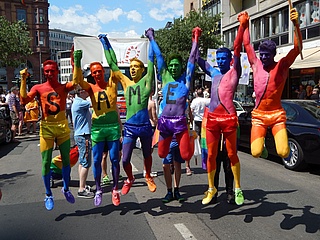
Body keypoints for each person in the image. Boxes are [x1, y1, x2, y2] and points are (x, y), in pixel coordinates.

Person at [98, 32, 157, 195]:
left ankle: (147, 175)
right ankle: (130, 178)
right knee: (124, 159)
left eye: (135, 67)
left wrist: (152, 39)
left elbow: (152, 61)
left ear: (142, 70)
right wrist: (105, 42)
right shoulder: (125, 82)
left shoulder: (146, 81)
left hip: (145, 125)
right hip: (130, 126)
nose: (132, 70)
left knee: (147, 155)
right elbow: (113, 64)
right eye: (130, 67)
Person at [241, 8, 302, 159]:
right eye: (261, 55)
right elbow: (247, 45)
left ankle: (271, 141)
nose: (263, 58)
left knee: (283, 152)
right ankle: (263, 147)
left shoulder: (281, 66)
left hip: (276, 115)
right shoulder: (255, 64)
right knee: (255, 152)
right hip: (259, 115)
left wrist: (296, 25)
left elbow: (297, 48)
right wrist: (245, 26)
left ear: (273, 55)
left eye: (266, 55)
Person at [195, 20, 245, 205]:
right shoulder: (213, 73)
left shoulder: (234, 72)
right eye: (218, 58)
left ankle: (232, 191)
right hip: (213, 120)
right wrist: (196, 39)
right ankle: (213, 190)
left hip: (230, 119)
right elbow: (197, 59)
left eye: (224, 58)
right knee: (212, 156)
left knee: (229, 157)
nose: (221, 61)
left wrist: (242, 26)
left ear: (230, 59)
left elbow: (238, 47)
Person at [19, 60, 77, 211]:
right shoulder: (38, 88)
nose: (49, 73)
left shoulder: (64, 87)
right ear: (44, 72)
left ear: (57, 71)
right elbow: (24, 100)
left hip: (62, 127)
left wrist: (76, 62)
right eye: (47, 71)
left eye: (52, 70)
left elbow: (77, 82)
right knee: (45, 162)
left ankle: (65, 188)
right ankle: (48, 193)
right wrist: (23, 80)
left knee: (66, 159)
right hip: (47, 128)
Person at [73, 49, 122, 207]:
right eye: (94, 72)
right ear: (92, 74)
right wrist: (77, 61)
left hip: (113, 127)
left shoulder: (111, 84)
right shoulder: (90, 88)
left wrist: (106, 45)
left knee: (114, 158)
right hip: (98, 128)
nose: (97, 74)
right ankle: (99, 188)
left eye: (99, 71)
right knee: (95, 160)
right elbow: (77, 80)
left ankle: (115, 188)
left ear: (103, 71)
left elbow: (115, 65)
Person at [148, 27, 197, 163]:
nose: (174, 67)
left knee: (186, 155)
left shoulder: (185, 80)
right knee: (162, 154)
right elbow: (159, 57)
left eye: (176, 65)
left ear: (181, 66)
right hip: (165, 120)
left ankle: (190, 139)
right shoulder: (165, 77)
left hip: (179, 121)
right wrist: (151, 37)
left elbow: (192, 59)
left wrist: (195, 40)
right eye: (171, 65)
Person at [71, 87, 94, 198]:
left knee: (82, 161)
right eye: (86, 90)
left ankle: (83, 185)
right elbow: (96, 101)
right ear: (81, 92)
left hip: (80, 135)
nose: (89, 92)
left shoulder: (78, 102)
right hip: (83, 135)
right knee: (86, 162)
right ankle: (81, 189)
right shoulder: (81, 103)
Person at [161, 137, 186, 203]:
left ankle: (176, 190)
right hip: (166, 139)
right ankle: (169, 191)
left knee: (178, 164)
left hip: (179, 138)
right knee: (165, 165)